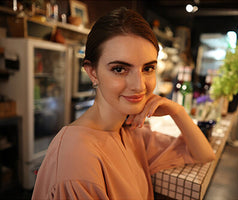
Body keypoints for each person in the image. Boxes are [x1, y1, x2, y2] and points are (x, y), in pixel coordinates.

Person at [31, 7, 215, 200]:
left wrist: (176, 111)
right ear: (92, 72)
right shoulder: (78, 156)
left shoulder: (130, 132)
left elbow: (204, 155)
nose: (139, 85)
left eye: (148, 68)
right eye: (119, 69)